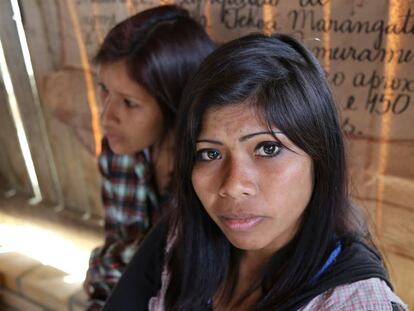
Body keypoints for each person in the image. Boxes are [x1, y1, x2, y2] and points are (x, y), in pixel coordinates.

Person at [103, 33, 407, 310]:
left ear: (320, 158)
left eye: (268, 149)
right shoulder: (179, 238)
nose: (233, 185)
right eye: (210, 153)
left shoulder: (353, 303)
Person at [83, 5, 215, 310]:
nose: (106, 116)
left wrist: (104, 264)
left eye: (129, 103)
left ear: (175, 103)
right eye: (104, 89)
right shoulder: (120, 154)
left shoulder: (209, 174)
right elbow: (115, 262)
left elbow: (183, 279)